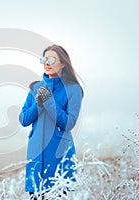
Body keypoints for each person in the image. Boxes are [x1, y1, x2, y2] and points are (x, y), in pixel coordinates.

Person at [19, 44, 84, 199]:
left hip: (59, 156)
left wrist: (49, 102)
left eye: (52, 59)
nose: (47, 63)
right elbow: (23, 119)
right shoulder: (35, 88)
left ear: (63, 63)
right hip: (35, 156)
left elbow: (69, 123)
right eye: (44, 59)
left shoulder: (74, 89)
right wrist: (38, 104)